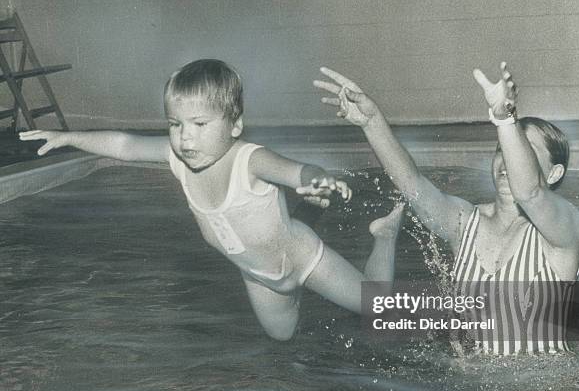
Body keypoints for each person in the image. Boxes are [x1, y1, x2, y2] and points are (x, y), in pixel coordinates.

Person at [20, 59, 404, 341]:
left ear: (234, 125)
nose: (186, 138)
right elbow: (123, 144)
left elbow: (295, 170)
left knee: (378, 308)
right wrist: (69, 138)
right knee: (283, 335)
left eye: (200, 125)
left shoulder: (249, 159)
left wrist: (317, 179)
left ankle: (384, 234)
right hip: (258, 277)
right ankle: (304, 218)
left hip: (303, 259)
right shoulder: (179, 160)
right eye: (176, 125)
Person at [314, 63, 579, 355]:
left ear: (555, 173)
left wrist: (505, 119)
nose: (505, 161)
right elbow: (413, 185)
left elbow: (530, 192)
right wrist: (372, 123)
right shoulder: (465, 222)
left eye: (523, 152)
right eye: (500, 150)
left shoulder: (565, 228)